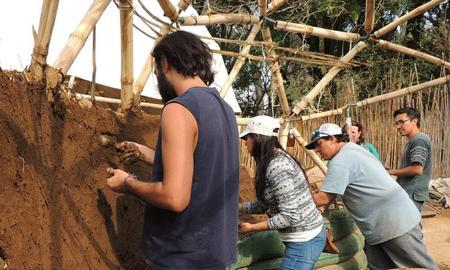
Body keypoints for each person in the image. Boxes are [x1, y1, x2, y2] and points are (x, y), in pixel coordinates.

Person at [105, 31, 240, 270]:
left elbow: (175, 197)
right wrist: (144, 152)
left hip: (180, 258)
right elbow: (200, 168)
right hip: (214, 256)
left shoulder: (178, 109)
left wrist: (127, 183)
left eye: (157, 72)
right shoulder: (225, 111)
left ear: (165, 63)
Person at [306, 123, 438, 270]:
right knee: (378, 266)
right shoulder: (353, 150)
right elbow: (334, 193)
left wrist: (294, 200)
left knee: (419, 267)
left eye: (319, 144)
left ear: (332, 139)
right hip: (383, 224)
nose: (317, 150)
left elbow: (325, 197)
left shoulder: (340, 160)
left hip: (393, 224)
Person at [239, 115, 326, 270]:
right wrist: (237, 208)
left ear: (258, 138)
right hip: (302, 238)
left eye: (248, 138)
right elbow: (263, 205)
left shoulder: (278, 167)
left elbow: (288, 217)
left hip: (304, 239)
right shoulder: (271, 161)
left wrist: (252, 228)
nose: (245, 143)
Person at [387, 107, 432, 211]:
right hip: (409, 192)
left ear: (414, 121)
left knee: (410, 226)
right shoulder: (412, 141)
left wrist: (393, 172)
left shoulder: (419, 140)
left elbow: (417, 169)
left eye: (402, 122)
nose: (398, 126)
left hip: (412, 193)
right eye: (396, 123)